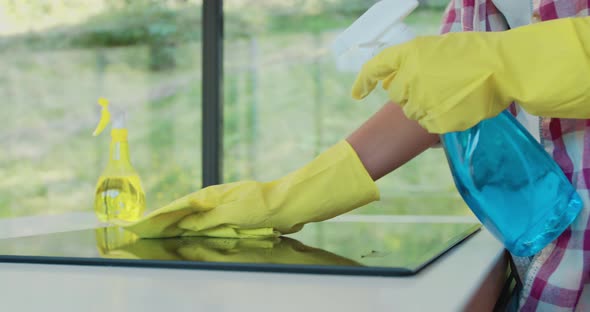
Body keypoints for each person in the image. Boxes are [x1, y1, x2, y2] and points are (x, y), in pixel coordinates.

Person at [124, 1, 590, 310]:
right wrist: (290, 195)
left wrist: (505, 63)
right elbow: (444, 99)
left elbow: (483, 69)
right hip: (551, 270)